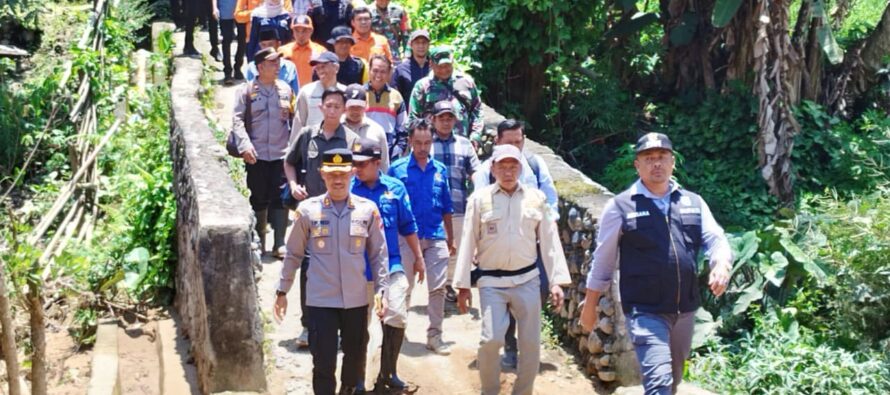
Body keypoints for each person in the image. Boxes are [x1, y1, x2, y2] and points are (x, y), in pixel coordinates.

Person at [579, 133, 733, 395]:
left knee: (672, 382)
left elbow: (716, 239)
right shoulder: (620, 206)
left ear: (673, 162)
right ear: (637, 165)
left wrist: (721, 265)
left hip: (685, 311)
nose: (656, 163)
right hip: (645, 311)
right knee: (659, 384)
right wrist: (590, 305)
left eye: (662, 157)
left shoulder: (693, 202)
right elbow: (603, 261)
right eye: (648, 158)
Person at [454, 144, 572, 395]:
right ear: (493, 168)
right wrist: (463, 286)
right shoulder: (479, 200)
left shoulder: (536, 199)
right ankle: (489, 390)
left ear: (520, 169)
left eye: (513, 166)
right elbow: (467, 241)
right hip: (491, 282)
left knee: (530, 344)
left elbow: (550, 241)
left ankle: (523, 392)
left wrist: (556, 281)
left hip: (527, 280)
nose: (508, 172)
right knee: (491, 339)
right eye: (502, 167)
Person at [273, 148, 389, 395]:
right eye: (332, 174)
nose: (338, 180)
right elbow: (293, 254)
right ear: (322, 174)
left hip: (355, 300)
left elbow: (378, 253)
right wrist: (282, 291)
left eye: (343, 174)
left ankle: (348, 389)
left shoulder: (367, 210)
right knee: (323, 362)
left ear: (352, 174)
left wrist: (382, 290)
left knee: (354, 358)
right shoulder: (307, 211)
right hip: (321, 300)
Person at [471, 118, 560, 369]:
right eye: (508, 142)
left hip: (534, 243)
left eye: (518, 142)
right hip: (498, 246)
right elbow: (477, 207)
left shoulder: (535, 165)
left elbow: (551, 200)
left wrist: (548, 227)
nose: (514, 147)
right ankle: (510, 345)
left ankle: (527, 342)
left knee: (539, 289)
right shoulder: (485, 171)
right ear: (497, 142)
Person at [283, 87, 360, 347]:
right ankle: (308, 326)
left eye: (337, 106)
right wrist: (293, 185)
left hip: (342, 213)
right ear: (321, 107)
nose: (332, 110)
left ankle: (336, 328)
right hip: (310, 213)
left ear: (344, 109)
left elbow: (356, 172)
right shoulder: (307, 135)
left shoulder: (350, 139)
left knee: (338, 268)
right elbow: (289, 161)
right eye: (329, 105)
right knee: (308, 267)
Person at [349, 138, 425, 394]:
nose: (357, 169)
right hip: (358, 270)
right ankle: (357, 379)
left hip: (391, 266)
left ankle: (388, 373)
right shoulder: (348, 189)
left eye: (363, 164)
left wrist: (418, 258)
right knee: (358, 326)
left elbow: (408, 225)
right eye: (354, 164)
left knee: (397, 316)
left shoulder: (395, 188)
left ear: (377, 162)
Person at [388, 119, 456, 356]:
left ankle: (435, 335)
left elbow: (447, 206)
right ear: (410, 141)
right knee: (403, 286)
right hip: (407, 237)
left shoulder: (440, 170)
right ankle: (397, 330)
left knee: (438, 288)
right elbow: (389, 206)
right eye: (418, 143)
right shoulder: (397, 170)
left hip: (435, 235)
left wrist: (451, 238)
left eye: (427, 143)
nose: (423, 148)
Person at [230, 47, 294, 258]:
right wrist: (245, 145)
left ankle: (279, 243)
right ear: (260, 67)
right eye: (272, 63)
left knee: (280, 197)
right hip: (256, 154)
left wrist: (293, 149)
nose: (277, 67)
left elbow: (293, 120)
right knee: (258, 196)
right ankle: (259, 241)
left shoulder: (285, 89)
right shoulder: (246, 91)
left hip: (280, 153)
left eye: (278, 63)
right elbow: (237, 120)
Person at [429, 100, 480, 303]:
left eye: (449, 118)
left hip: (458, 205)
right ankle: (437, 286)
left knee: (454, 249)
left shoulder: (464, 144)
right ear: (433, 120)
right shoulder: (425, 144)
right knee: (434, 248)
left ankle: (448, 285)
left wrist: (479, 190)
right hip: (432, 208)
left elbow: (475, 170)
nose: (445, 122)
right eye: (441, 118)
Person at [408, 46, 482, 139]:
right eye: (439, 66)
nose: (444, 70)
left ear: (452, 62)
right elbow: (413, 117)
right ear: (431, 64)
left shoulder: (466, 82)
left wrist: (475, 134)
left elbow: (477, 110)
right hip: (432, 143)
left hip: (462, 142)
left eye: (447, 65)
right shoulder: (422, 86)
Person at [290, 51, 346, 137]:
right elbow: (299, 123)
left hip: (339, 141)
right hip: (313, 142)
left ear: (336, 68)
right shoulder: (306, 91)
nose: (320, 71)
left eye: (323, 67)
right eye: (317, 68)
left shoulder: (345, 92)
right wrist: (295, 144)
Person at [365, 54, 408, 160]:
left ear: (389, 73)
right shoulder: (360, 94)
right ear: (369, 71)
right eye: (375, 70)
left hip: (390, 155)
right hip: (364, 155)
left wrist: (398, 150)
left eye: (383, 71)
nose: (378, 75)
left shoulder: (396, 96)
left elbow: (403, 128)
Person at [343, 84, 390, 171]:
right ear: (344, 106)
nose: (355, 110)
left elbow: (384, 165)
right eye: (351, 106)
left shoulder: (377, 130)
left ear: (366, 106)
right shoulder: (336, 127)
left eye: (359, 106)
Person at [245, 29, 300, 93]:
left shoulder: (290, 67)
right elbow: (250, 92)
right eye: (263, 45)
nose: (267, 48)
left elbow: (295, 93)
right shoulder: (252, 67)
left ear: (278, 44)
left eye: (270, 44)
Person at [279, 15, 327, 88]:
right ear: (292, 32)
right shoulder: (283, 50)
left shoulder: (320, 51)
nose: (300, 35)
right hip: (290, 91)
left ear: (311, 31)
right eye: (297, 31)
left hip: (312, 91)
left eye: (304, 31)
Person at [391, 29, 430, 101]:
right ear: (411, 45)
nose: (421, 46)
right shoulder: (401, 70)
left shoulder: (434, 68)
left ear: (428, 45)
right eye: (417, 43)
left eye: (424, 42)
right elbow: (394, 96)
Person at [212, 0, 242, 83]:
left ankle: (238, 67)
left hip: (241, 11)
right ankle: (227, 72)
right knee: (226, 41)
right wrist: (214, 8)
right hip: (225, 11)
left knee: (242, 40)